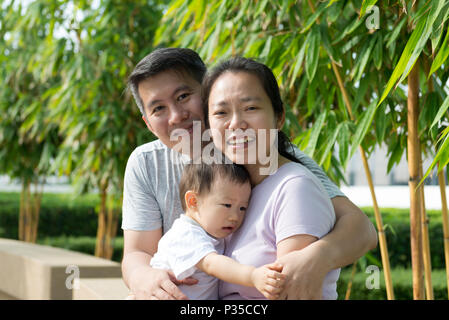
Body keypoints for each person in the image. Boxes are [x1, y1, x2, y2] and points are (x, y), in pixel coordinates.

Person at [121, 48, 377, 300]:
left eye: (183, 96)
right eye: (158, 109)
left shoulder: (267, 156)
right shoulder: (146, 163)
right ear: (147, 123)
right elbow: (137, 252)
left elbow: (361, 229)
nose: (177, 116)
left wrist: (318, 257)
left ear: (208, 93)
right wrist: (144, 278)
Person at [203, 56, 341, 299]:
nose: (236, 124)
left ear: (279, 117)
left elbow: (287, 293)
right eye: (221, 112)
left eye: (251, 108)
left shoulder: (295, 188)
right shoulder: (233, 188)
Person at [147, 162, 285, 300]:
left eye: (242, 208)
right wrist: (253, 276)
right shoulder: (185, 234)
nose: (235, 216)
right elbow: (212, 264)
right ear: (193, 201)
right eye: (227, 205)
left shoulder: (211, 234)